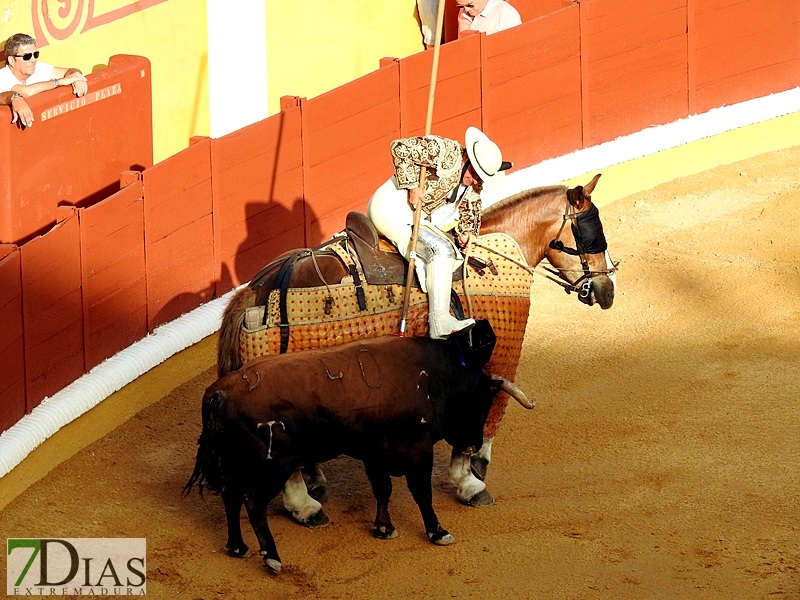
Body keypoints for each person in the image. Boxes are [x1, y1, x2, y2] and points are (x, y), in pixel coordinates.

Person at [367, 127, 512, 339]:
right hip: (390, 206)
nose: (475, 181)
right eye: (475, 175)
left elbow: (470, 212)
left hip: (413, 217)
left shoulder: (473, 186)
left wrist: (467, 233)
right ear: (467, 160)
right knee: (440, 248)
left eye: (480, 179)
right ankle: (439, 321)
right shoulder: (443, 150)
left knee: (451, 249)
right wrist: (411, 187)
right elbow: (399, 147)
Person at [1, 33, 88, 101]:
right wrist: (59, 82)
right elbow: (27, 92)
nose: (33, 60)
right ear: (12, 60)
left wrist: (77, 78)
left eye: (35, 54)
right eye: (26, 56)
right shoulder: (3, 76)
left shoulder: (37, 67)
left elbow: (70, 71)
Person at [457, 0, 522, 36]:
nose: (466, 9)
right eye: (460, 6)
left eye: (470, 5)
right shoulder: (464, 9)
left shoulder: (506, 14)